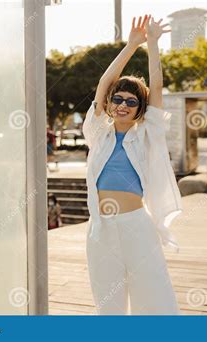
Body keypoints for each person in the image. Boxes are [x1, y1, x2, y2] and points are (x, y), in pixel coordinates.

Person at [81, 15, 181, 315]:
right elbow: (103, 84)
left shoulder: (147, 135)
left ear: (141, 109)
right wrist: (130, 45)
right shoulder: (99, 134)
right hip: (101, 228)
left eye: (132, 101)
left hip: (137, 225)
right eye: (118, 99)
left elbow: (158, 86)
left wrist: (151, 44)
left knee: (153, 295)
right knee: (107, 301)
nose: (123, 105)